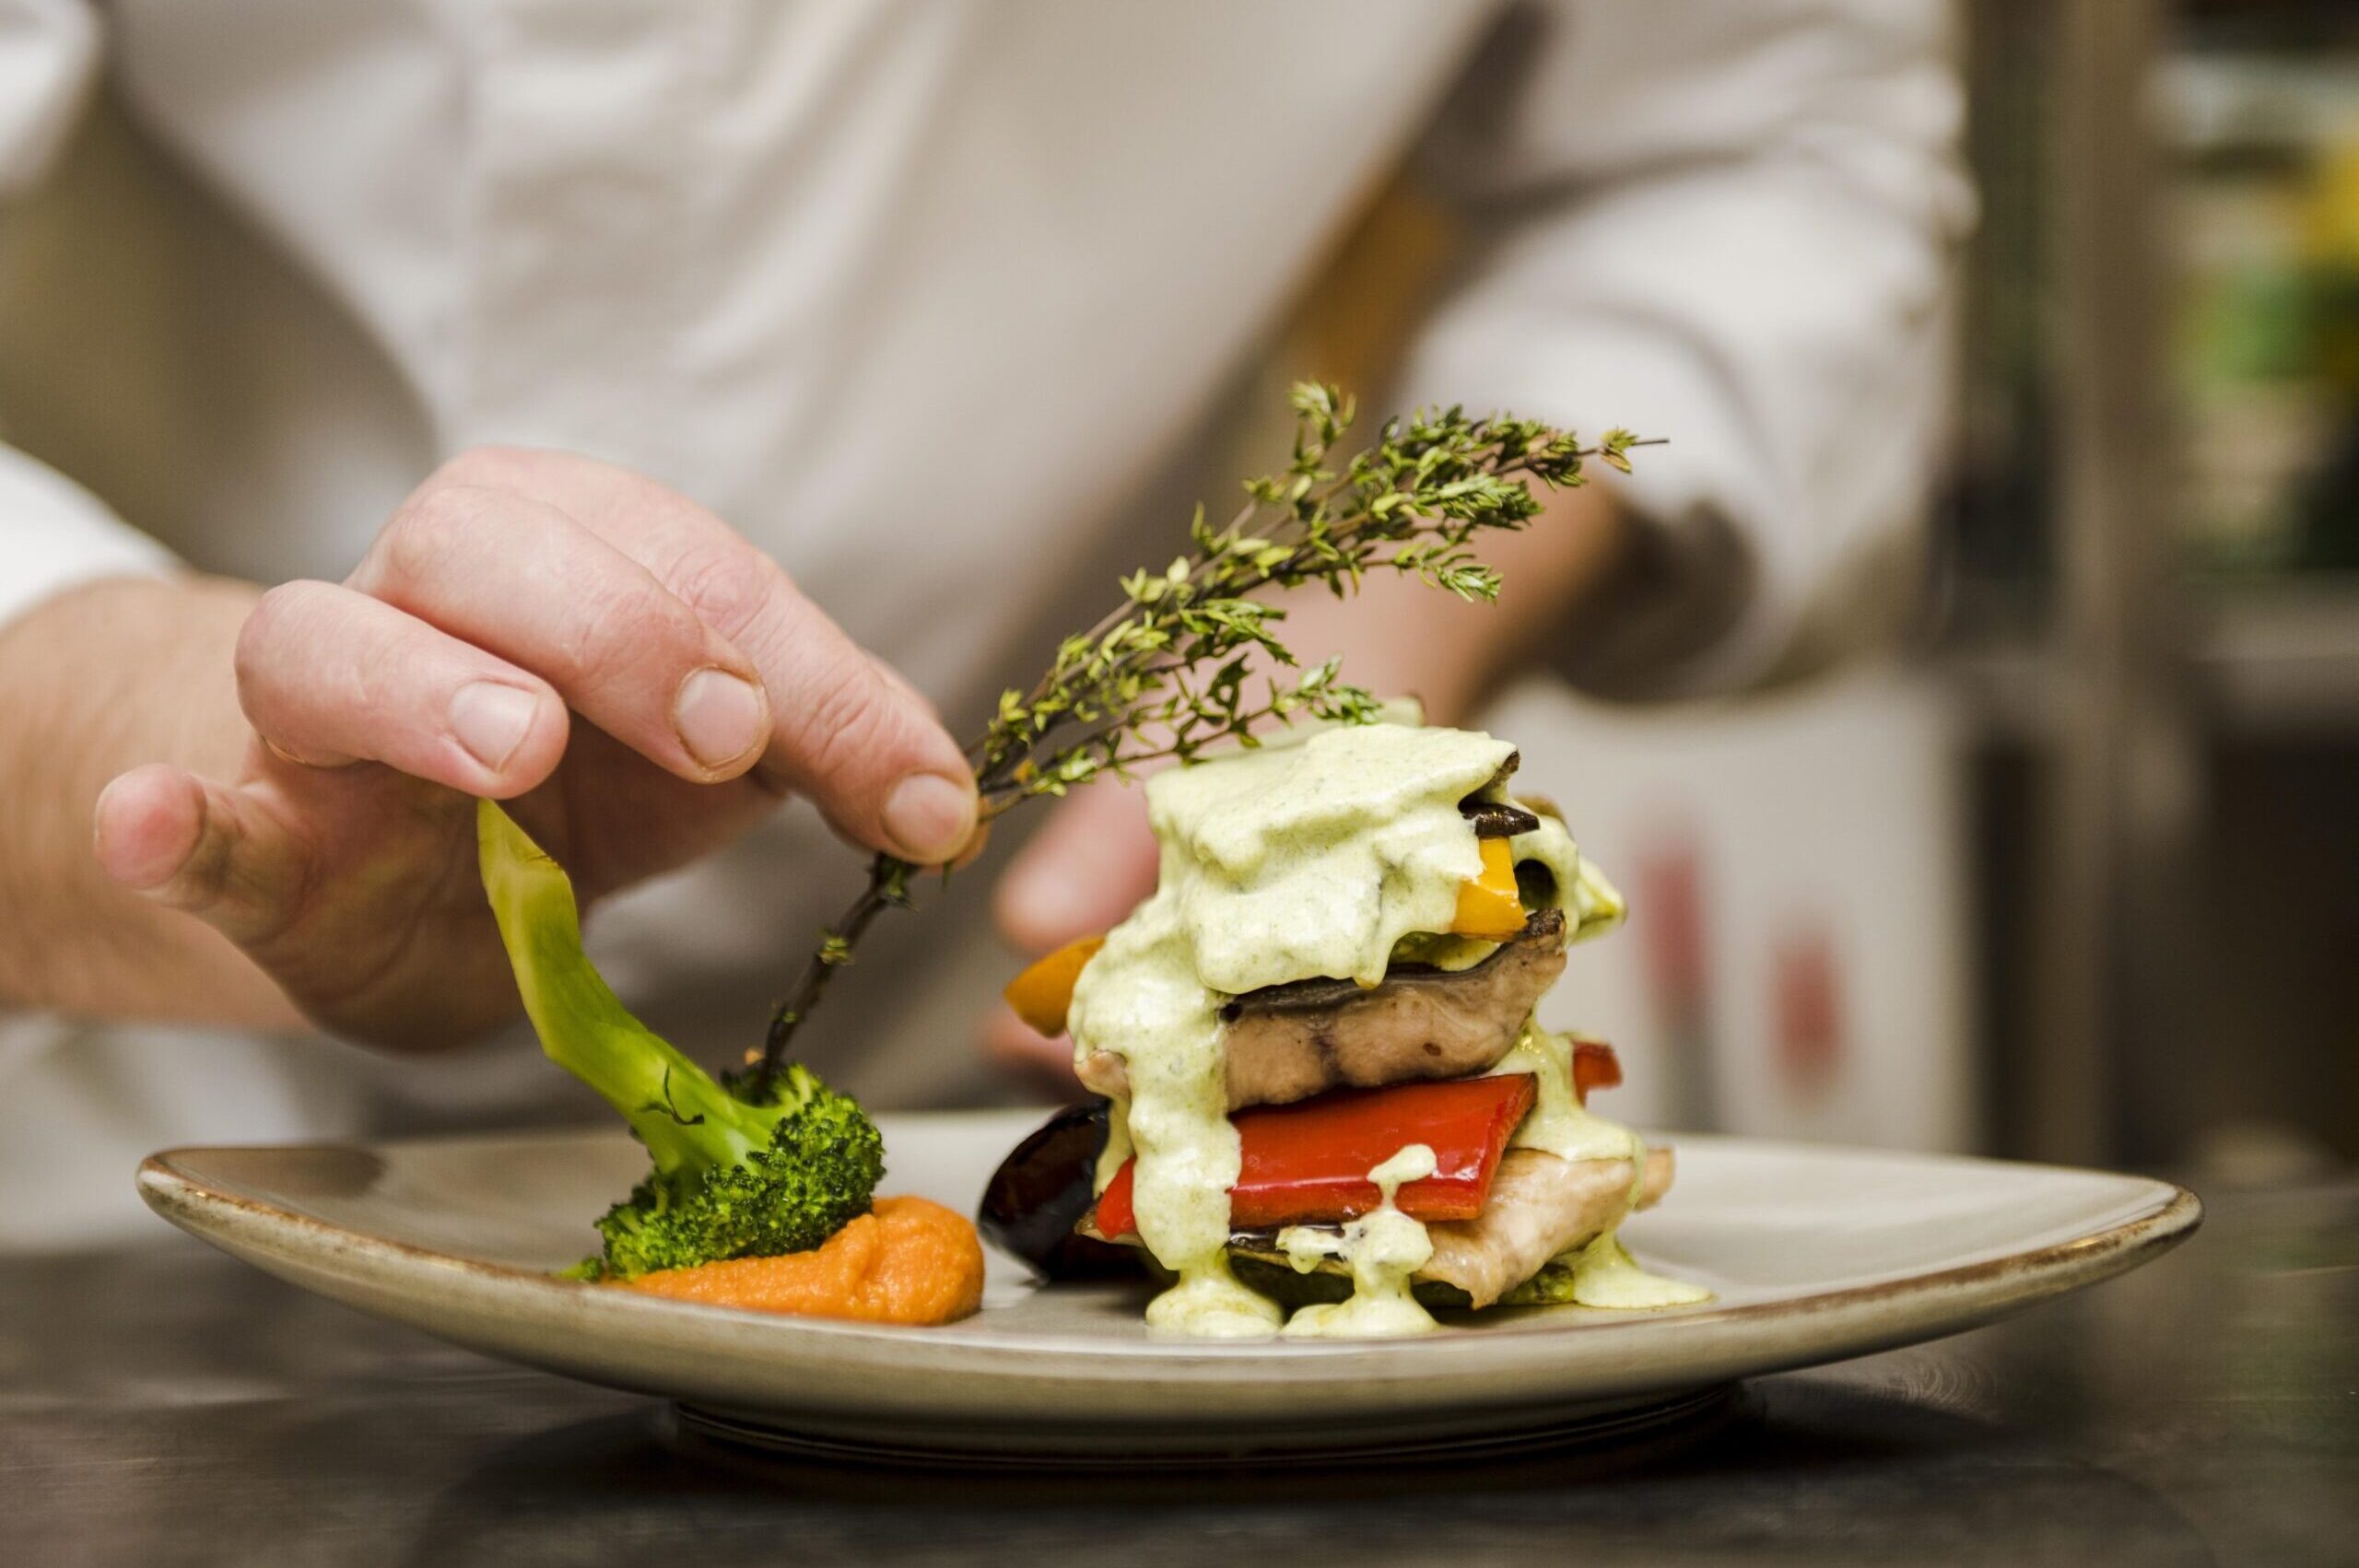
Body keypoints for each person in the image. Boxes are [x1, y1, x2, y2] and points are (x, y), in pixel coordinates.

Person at [0, 0, 1970, 1243]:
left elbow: (1753, 145)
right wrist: (186, 749)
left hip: (974, 1081)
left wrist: (1380, 604)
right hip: (102, 1101)